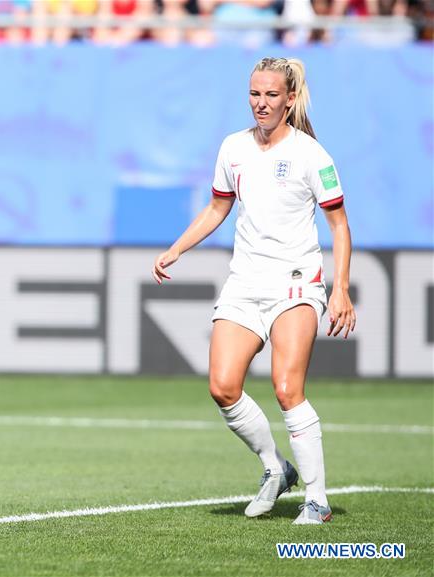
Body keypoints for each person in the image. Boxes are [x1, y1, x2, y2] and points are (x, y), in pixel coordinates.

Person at [152, 57, 355, 525]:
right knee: (222, 387)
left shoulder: (312, 155)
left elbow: (339, 225)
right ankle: (274, 469)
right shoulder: (233, 148)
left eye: (270, 95)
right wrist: (176, 249)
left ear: (289, 99)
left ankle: (318, 500)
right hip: (245, 281)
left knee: (287, 389)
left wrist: (340, 289)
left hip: (296, 283)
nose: (261, 103)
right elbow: (217, 207)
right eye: (254, 94)